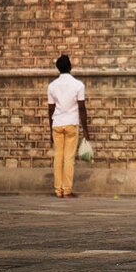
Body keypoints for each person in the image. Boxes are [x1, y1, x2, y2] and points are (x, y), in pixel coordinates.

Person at [47, 55, 91, 198]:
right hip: (71, 123)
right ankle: (67, 190)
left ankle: (58, 190)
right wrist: (85, 129)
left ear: (58, 68)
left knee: (58, 157)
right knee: (69, 158)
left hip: (57, 124)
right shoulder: (78, 85)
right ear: (70, 67)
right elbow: (82, 108)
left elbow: (51, 109)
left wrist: (50, 129)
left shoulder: (52, 86)